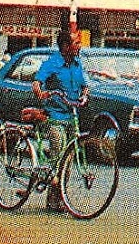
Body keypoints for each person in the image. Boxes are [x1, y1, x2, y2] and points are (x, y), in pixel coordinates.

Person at [31, 31, 89, 211]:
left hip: (72, 116)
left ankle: (61, 197)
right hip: (55, 116)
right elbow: (37, 82)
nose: (79, 46)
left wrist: (85, 95)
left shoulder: (77, 64)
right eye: (76, 43)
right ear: (65, 46)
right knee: (58, 153)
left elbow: (85, 85)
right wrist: (40, 91)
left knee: (69, 159)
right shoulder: (52, 63)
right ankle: (52, 199)